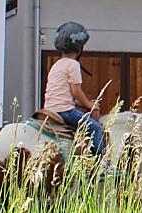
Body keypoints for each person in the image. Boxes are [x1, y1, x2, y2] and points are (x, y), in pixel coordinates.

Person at [43, 21, 104, 156]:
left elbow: (64, 93)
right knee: (96, 128)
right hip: (65, 111)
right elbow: (76, 92)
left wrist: (79, 104)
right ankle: (100, 164)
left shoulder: (56, 65)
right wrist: (90, 105)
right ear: (79, 49)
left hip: (49, 109)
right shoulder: (73, 64)